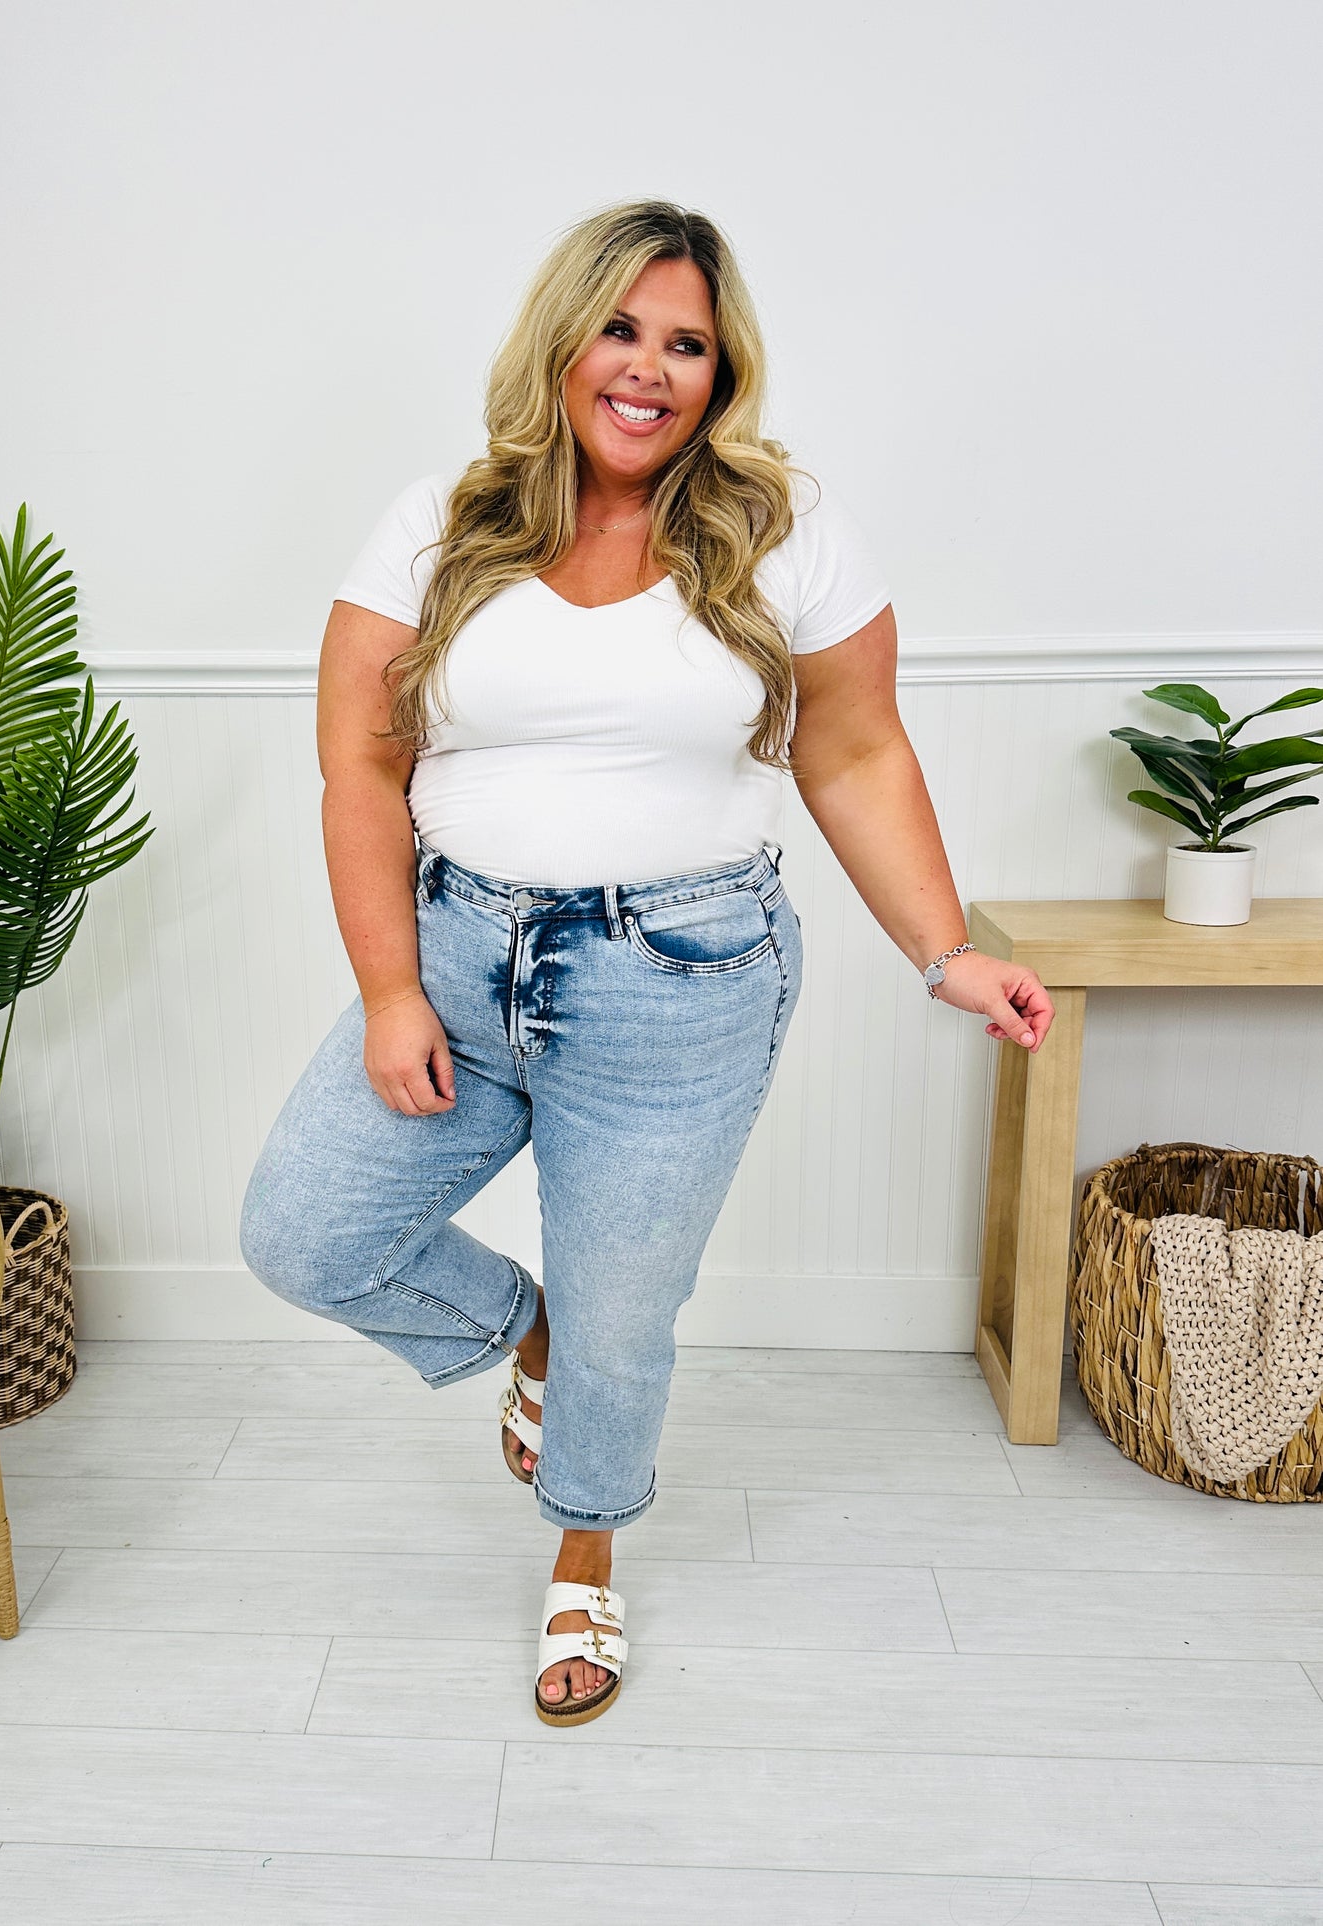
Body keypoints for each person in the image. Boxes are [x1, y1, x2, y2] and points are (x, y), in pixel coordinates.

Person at [240, 199, 1055, 1728]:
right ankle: (525, 1335)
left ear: (719, 372)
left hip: (681, 977)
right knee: (304, 1231)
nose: (648, 367)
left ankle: (584, 1552)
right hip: (458, 950)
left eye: (686, 343)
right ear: (562, 340)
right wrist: (393, 990)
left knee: (625, 1312)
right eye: (620, 329)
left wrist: (940, 948)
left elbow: (856, 751)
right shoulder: (436, 524)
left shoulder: (781, 527)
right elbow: (362, 770)